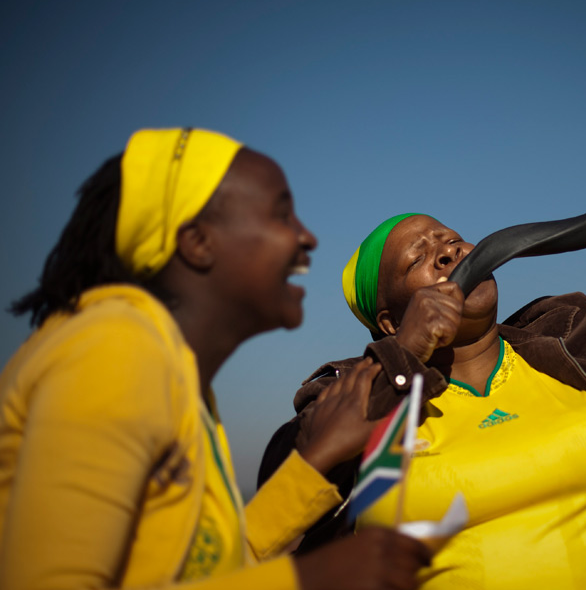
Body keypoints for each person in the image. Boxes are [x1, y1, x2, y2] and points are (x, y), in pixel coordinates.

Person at [261, 63, 586, 589]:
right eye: (421, 257)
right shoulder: (349, 396)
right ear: (389, 319)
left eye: (452, 240)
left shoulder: (577, 341)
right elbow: (282, 494)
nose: (450, 252)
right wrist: (406, 353)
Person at [0, 128, 431, 590]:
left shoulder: (180, 381)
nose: (307, 238)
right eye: (281, 214)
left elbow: (211, 567)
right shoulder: (113, 348)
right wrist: (307, 578)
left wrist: (317, 458)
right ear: (198, 242)